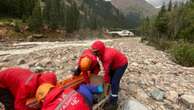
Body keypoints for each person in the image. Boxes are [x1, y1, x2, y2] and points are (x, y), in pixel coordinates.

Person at [91, 40, 128, 109]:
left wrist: (105, 82)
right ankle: (112, 90)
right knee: (111, 80)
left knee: (114, 82)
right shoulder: (101, 52)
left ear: (100, 50)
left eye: (96, 52)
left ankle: (114, 103)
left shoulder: (106, 56)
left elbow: (106, 72)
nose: (95, 54)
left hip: (122, 64)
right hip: (113, 64)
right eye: (94, 52)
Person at [36, 83, 103, 110]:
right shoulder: (68, 90)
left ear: (42, 100)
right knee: (82, 87)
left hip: (87, 104)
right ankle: (100, 89)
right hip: (87, 105)